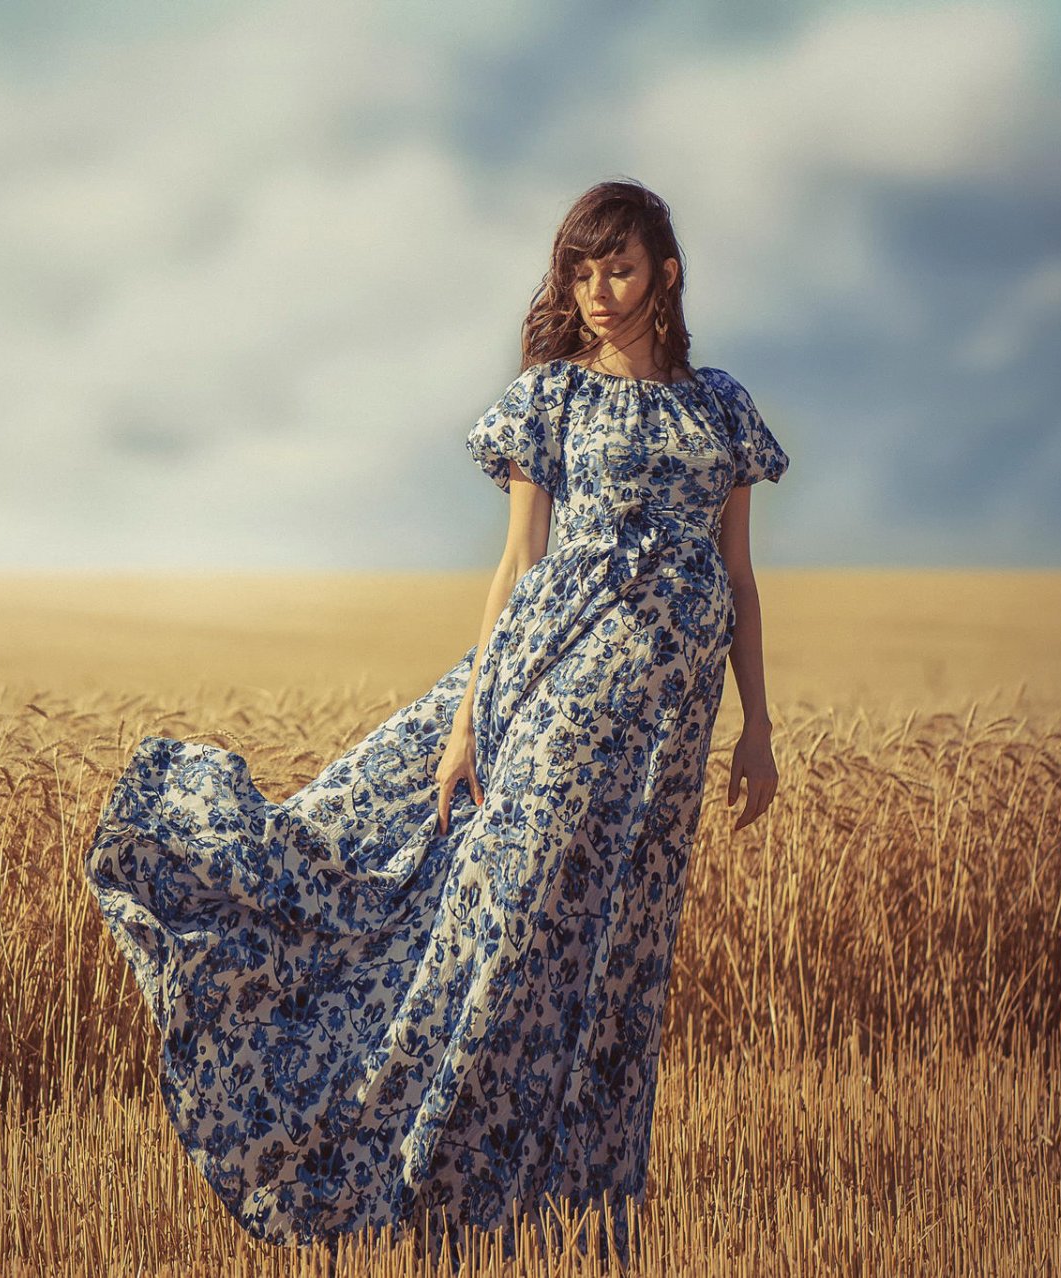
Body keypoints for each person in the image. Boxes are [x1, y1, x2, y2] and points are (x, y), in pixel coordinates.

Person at [84, 178, 790, 1263]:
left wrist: (758, 727)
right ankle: (419, 1175)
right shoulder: (553, 396)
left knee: (614, 956)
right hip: (555, 690)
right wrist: (469, 723)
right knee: (507, 920)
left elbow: (738, 576)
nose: (597, 292)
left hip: (667, 735)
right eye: (581, 272)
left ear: (668, 274)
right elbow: (516, 562)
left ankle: (569, 1203)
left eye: (620, 269)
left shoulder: (723, 408)